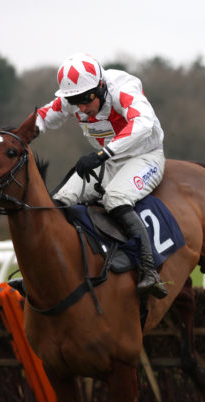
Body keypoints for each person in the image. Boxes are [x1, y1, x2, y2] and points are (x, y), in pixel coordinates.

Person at [35, 52, 168, 299]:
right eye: (76, 102)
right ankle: (44, 271)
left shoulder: (123, 88)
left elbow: (143, 123)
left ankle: (149, 270)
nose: (83, 108)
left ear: (101, 86)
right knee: (59, 201)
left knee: (115, 198)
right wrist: (9, 139)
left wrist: (103, 153)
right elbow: (42, 117)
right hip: (107, 159)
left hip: (145, 157)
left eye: (87, 99)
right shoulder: (73, 99)